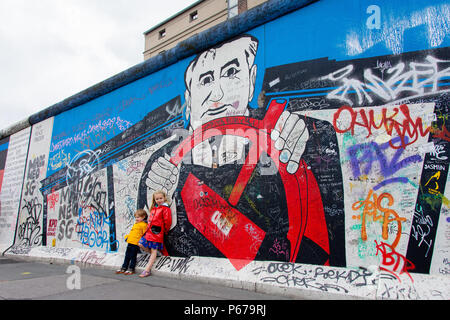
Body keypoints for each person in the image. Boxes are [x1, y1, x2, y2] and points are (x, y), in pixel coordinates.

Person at [138, 190, 172, 277]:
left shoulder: (165, 208)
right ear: (154, 200)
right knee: (140, 244)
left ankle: (147, 270)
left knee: (153, 250)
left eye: (161, 198)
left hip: (157, 233)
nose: (159, 200)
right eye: (157, 199)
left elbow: (168, 221)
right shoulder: (154, 208)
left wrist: (165, 231)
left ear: (164, 198)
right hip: (149, 232)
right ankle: (155, 254)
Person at [116, 209, 148, 275]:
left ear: (143, 217)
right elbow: (133, 233)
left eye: (138, 217)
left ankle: (131, 268)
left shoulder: (144, 225)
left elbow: (145, 234)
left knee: (133, 256)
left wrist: (142, 241)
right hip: (130, 242)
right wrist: (127, 237)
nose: (136, 218)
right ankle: (124, 267)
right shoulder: (136, 224)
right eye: (136, 217)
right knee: (127, 255)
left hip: (135, 243)